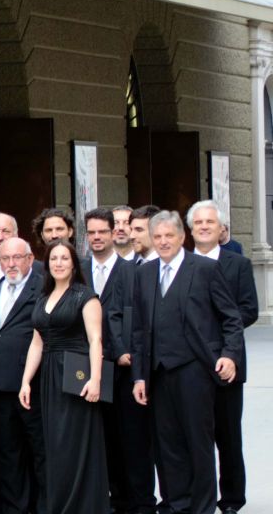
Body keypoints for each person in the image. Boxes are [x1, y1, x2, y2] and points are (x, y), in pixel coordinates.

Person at [130, 211, 245, 514]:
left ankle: (202, 507)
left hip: (195, 370)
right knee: (167, 446)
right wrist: (139, 377)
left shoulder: (205, 269)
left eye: (170, 236)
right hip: (158, 373)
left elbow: (231, 318)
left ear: (183, 237)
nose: (164, 242)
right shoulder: (143, 273)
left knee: (198, 442)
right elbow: (139, 330)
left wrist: (229, 355)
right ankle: (175, 504)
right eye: (158, 237)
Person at [17, 239, 109, 514]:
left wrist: (95, 379)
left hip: (76, 374)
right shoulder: (43, 299)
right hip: (48, 378)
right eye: (53, 259)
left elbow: (96, 340)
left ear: (73, 264)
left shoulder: (85, 297)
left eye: (64, 259)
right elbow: (37, 343)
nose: (58, 263)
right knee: (55, 443)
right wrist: (25, 381)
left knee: (76, 442)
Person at [185, 200, 259, 514]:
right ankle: (195, 496)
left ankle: (230, 499)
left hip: (227, 362)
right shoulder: (180, 264)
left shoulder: (237, 265)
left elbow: (249, 310)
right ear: (189, 230)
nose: (203, 227)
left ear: (221, 229)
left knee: (227, 436)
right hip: (188, 365)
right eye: (198, 223)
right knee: (192, 436)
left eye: (209, 223)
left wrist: (218, 339)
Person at [80, 207, 150, 514]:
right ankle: (111, 500)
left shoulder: (132, 271)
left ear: (114, 234)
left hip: (122, 368)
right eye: (91, 233)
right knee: (101, 439)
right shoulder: (77, 269)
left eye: (102, 232)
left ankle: (140, 503)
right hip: (85, 369)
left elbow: (139, 319)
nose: (97, 238)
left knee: (132, 441)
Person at [0, 236, 46, 514]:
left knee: (40, 452)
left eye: (17, 258)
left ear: (30, 259)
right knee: (8, 456)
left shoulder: (43, 288)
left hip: (33, 386)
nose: (11, 264)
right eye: (5, 258)